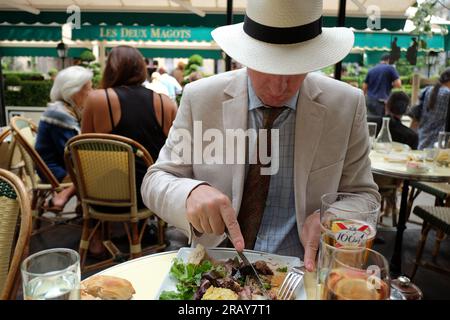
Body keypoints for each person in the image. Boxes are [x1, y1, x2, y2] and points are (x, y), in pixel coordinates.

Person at [141, 0, 380, 272]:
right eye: (266, 65)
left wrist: (331, 218)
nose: (279, 85)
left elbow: (364, 196)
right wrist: (190, 192)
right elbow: (155, 181)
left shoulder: (346, 105)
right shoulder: (201, 97)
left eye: (295, 68)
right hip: (215, 266)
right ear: (243, 55)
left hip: (302, 270)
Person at [83, 46, 177, 254]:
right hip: (151, 193)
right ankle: (154, 231)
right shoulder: (166, 103)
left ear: (110, 69)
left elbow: (82, 152)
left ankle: (95, 236)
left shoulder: (97, 99)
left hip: (103, 194)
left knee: (84, 174)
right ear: (142, 69)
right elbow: (177, 152)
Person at [36, 66, 93, 212]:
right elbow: (73, 155)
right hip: (53, 171)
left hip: (56, 165)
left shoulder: (63, 109)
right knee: (98, 171)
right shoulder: (60, 115)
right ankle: (69, 200)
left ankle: (82, 206)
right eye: (88, 88)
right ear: (73, 91)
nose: (91, 93)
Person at [408, 68, 450, 149]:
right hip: (437, 143)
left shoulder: (427, 90)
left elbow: (416, 116)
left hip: (422, 139)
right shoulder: (447, 94)